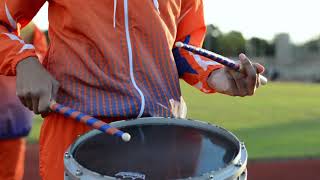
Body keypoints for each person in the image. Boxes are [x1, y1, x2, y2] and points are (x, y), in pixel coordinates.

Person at [0, 0, 264, 179]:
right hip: (77, 134)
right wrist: (24, 61)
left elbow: (182, 46)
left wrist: (216, 74)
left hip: (164, 138)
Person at [0, 22, 47, 180]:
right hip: (13, 114)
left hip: (12, 117)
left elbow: (41, 62)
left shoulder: (30, 28)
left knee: (10, 173)